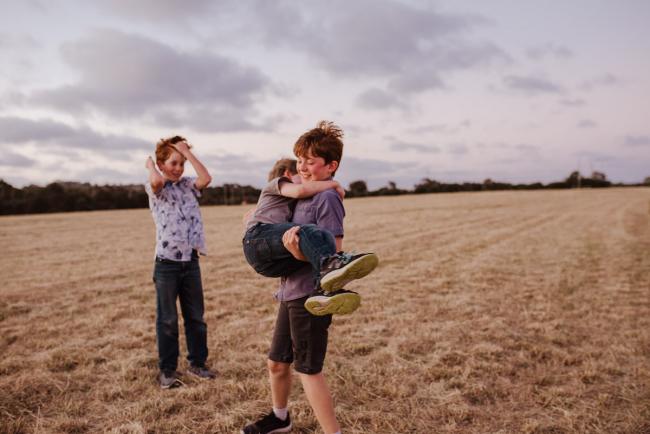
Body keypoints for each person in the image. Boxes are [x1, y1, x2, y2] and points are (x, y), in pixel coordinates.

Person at [242, 121, 360, 434]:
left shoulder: (327, 199)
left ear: (331, 166)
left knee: (308, 369)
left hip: (312, 295)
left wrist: (298, 255)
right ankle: (280, 418)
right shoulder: (300, 197)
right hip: (290, 292)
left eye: (311, 161)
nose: (303, 167)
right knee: (277, 362)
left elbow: (333, 249)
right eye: (300, 160)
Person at [242, 158, 378, 316]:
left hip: (273, 263)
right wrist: (335, 184)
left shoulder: (290, 204)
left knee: (318, 241)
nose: (308, 179)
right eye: (301, 173)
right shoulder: (279, 184)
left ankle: (322, 289)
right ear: (288, 175)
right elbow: (301, 190)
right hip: (258, 238)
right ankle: (331, 264)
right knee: (307, 231)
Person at [144, 135, 216, 389]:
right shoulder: (157, 188)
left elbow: (206, 178)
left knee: (196, 317)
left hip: (190, 261)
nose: (178, 168)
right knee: (167, 320)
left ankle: (198, 364)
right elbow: (154, 180)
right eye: (173, 163)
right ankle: (167, 371)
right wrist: (152, 165)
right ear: (163, 165)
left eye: (181, 164)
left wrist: (187, 152)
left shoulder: (188, 185)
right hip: (167, 265)